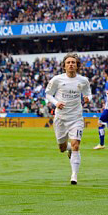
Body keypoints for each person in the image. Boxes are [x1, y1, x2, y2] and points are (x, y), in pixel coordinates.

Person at [45, 53, 92, 185]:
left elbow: (88, 93)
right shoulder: (57, 80)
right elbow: (48, 94)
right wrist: (56, 103)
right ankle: (68, 149)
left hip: (76, 118)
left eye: (73, 62)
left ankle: (74, 176)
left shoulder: (83, 80)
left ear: (77, 65)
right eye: (68, 62)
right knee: (62, 148)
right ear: (64, 66)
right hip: (60, 118)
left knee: (76, 145)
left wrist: (88, 98)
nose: (71, 64)